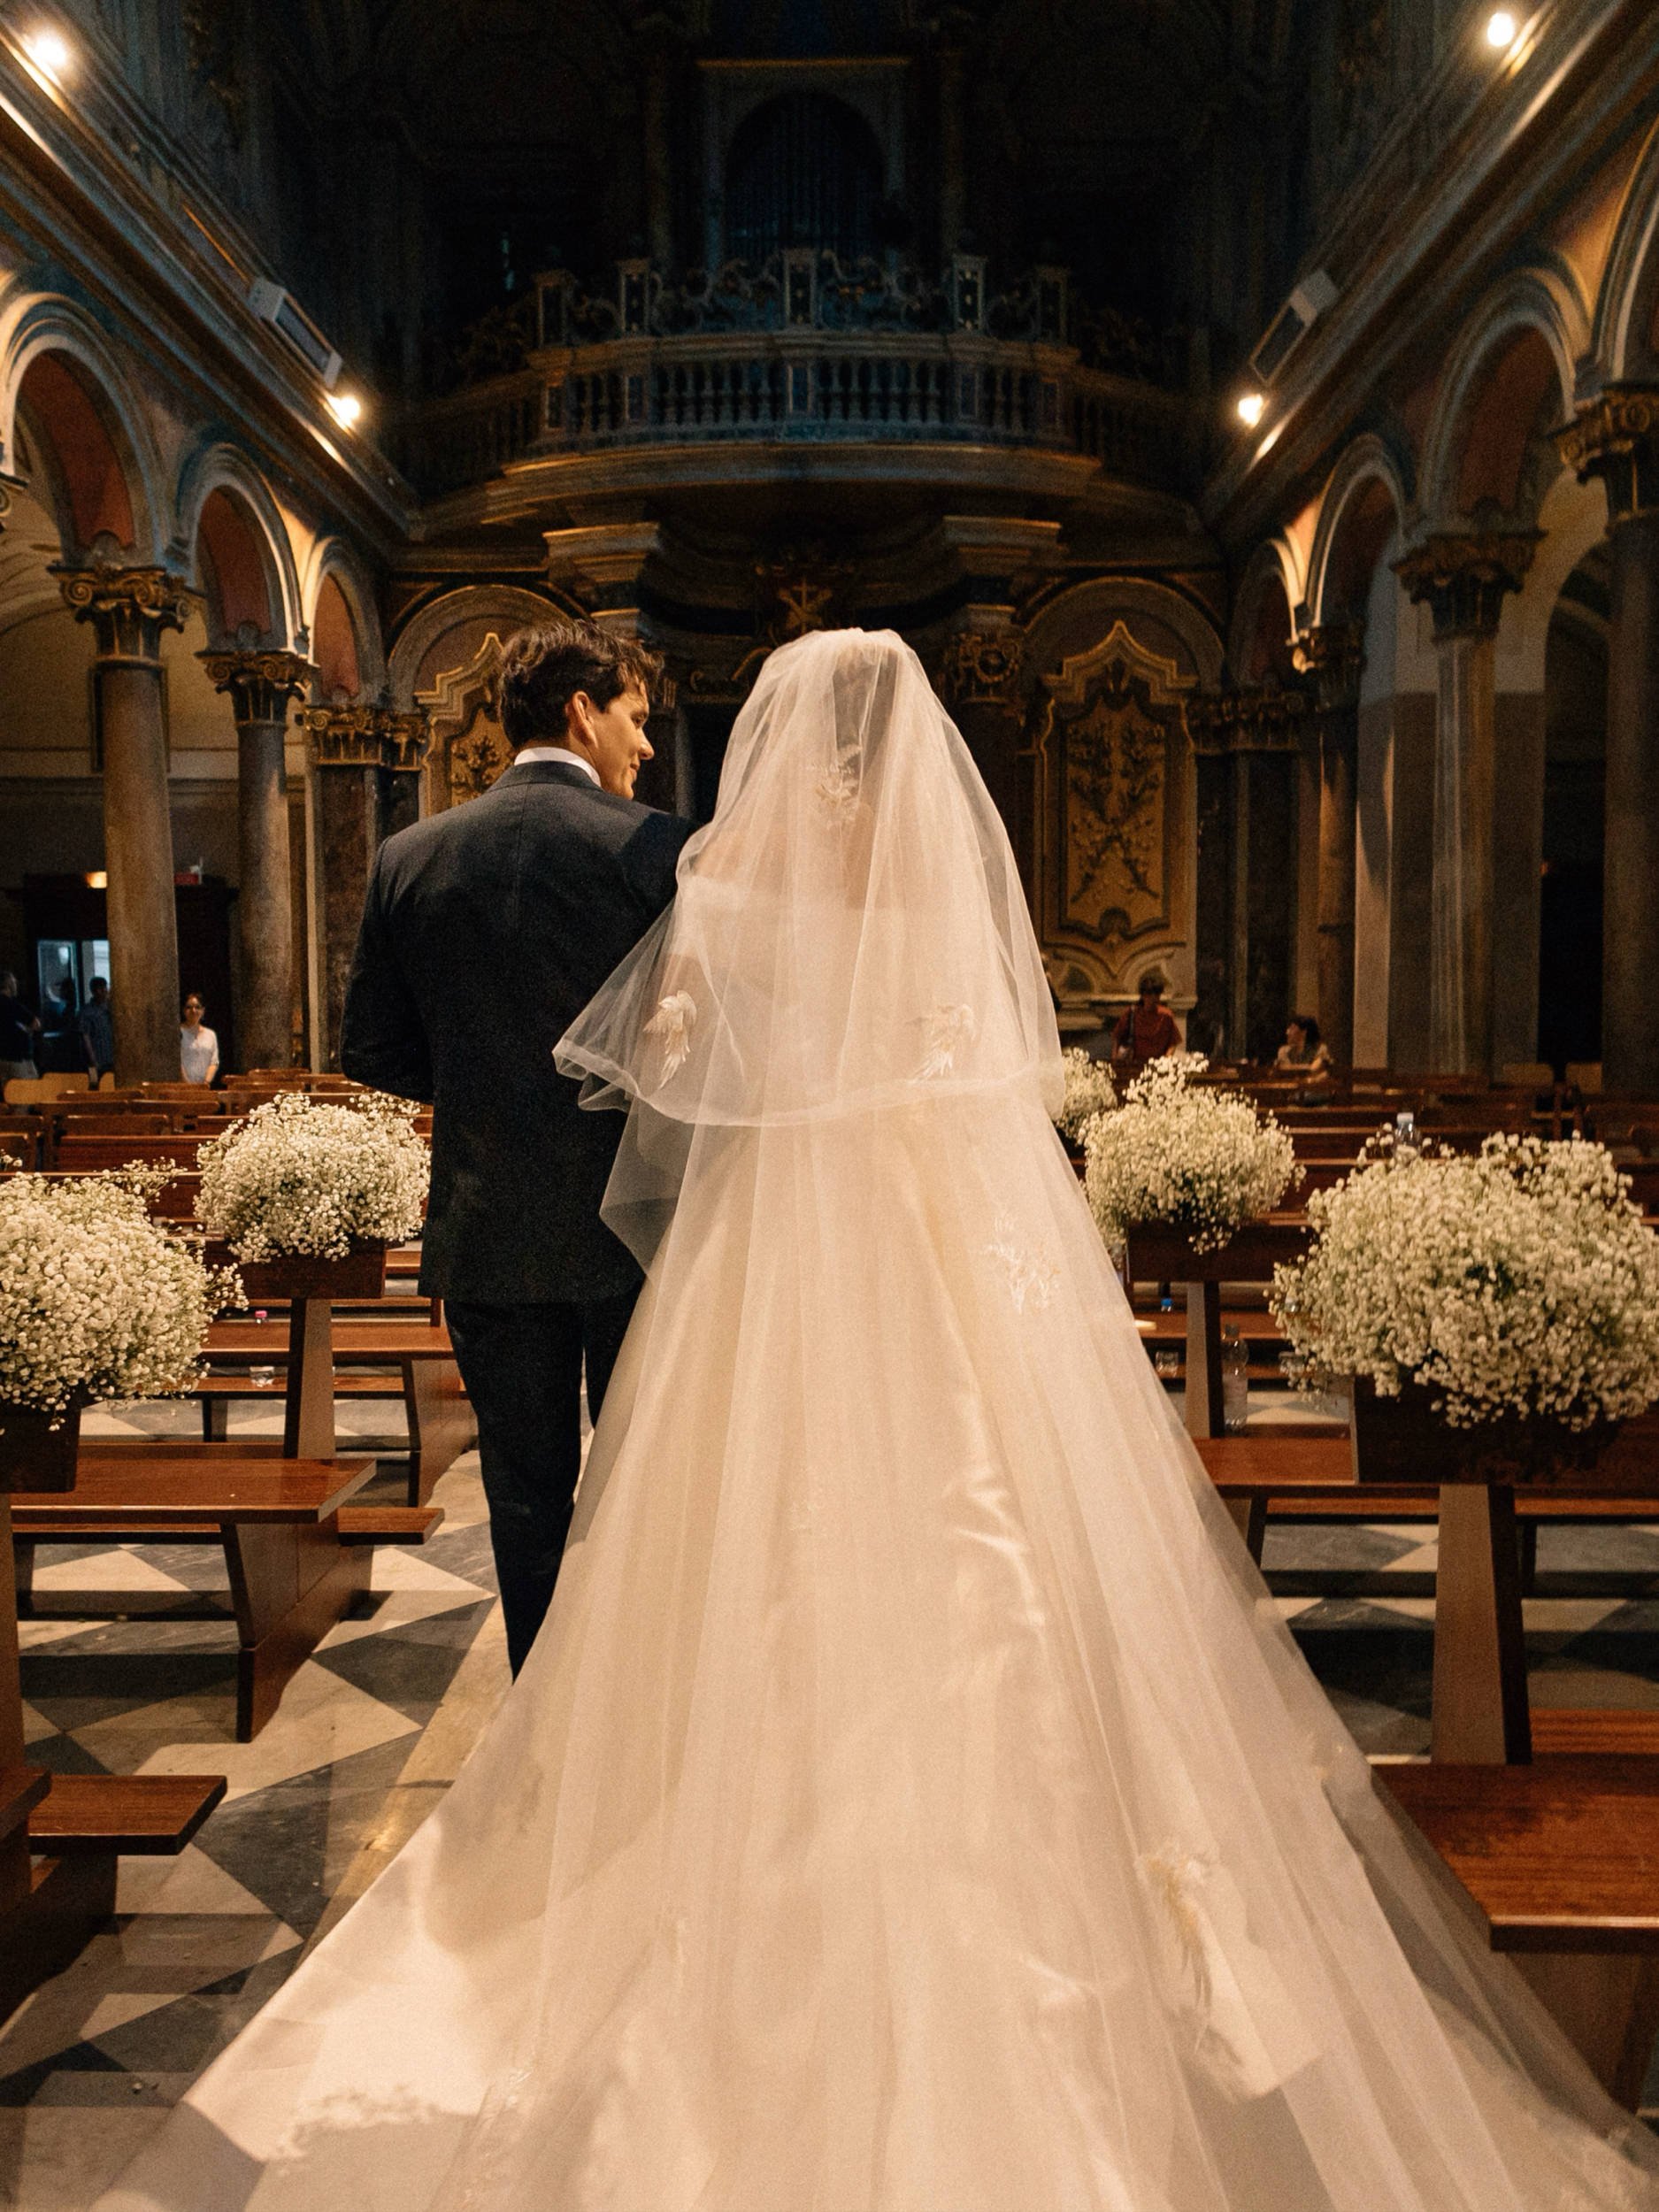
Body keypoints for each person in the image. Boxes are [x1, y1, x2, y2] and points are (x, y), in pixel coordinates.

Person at [99, 632, 1659, 2212]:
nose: (653, 735)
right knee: (956, 1532)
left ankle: (599, 1762)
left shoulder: (626, 871)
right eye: (636, 711)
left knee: (622, 1515)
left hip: (678, 1240)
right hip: (905, 1247)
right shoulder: (803, 879)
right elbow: (957, 1072)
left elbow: (613, 1060)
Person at [337, 618, 692, 1675]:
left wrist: (487, 1088)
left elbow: (373, 1051)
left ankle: (541, 1707)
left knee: (524, 1496)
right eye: (635, 718)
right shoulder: (654, 850)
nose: (645, 748)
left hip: (488, 1229)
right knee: (643, 1483)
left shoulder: (410, 856)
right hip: (634, 1230)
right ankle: (634, 1700)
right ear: (582, 711)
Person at [1111, 967, 1182, 1063]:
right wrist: (1115, 1059)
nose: (1152, 998)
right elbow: (1117, 1036)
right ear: (1143, 995)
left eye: (1156, 995)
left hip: (1158, 1064)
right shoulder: (1132, 1013)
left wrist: (1165, 1060)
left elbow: (1173, 1042)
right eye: (1149, 994)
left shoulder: (1166, 1016)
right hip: (1135, 1063)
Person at [0, 972, 40, 1082]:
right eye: (14, 982)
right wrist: (27, 1030)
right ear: (9, 984)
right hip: (17, 1057)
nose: (16, 984)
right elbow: (35, 1023)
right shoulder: (13, 1005)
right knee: (27, 1090)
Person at [78, 976, 114, 1084]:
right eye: (101, 989)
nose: (104, 992)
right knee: (96, 1083)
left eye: (105, 989)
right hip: (97, 1058)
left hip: (110, 1057)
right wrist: (93, 1059)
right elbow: (85, 1036)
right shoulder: (87, 1012)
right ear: (94, 991)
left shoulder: (108, 1008)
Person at [179, 993, 219, 1085]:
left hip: (204, 1088)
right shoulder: (178, 1032)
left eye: (197, 1007)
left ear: (203, 1011)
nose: (193, 1010)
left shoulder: (211, 1034)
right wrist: (188, 1086)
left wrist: (206, 1083)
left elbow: (214, 1062)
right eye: (189, 1007)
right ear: (184, 1010)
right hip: (183, 1087)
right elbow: (176, 1062)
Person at [1276, 1011, 1333, 1075]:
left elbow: (1316, 1071)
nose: (1287, 1032)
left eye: (1292, 1028)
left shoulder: (1319, 1050)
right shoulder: (1285, 1051)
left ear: (1304, 1032)